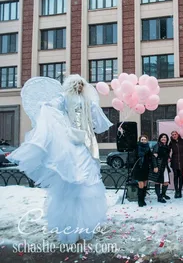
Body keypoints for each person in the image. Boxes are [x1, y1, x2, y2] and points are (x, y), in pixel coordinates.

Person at [7, 75, 112, 244]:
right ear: (70, 85)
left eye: (81, 84)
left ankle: (84, 224)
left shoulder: (88, 101)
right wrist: (46, 106)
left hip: (85, 143)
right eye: (75, 84)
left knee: (86, 182)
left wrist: (93, 109)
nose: (78, 86)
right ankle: (69, 225)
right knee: (71, 178)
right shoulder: (64, 98)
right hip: (70, 142)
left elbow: (97, 121)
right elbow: (53, 107)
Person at [149, 133, 172, 203]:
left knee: (166, 182)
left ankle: (163, 194)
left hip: (164, 166)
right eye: (162, 137)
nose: (163, 138)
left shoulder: (167, 146)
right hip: (158, 166)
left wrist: (169, 158)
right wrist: (155, 166)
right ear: (160, 138)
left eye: (165, 137)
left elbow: (166, 155)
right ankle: (159, 197)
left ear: (167, 139)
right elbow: (153, 157)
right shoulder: (157, 145)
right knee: (158, 182)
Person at [169, 131, 183, 198]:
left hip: (182, 161)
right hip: (174, 161)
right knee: (175, 176)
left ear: (178, 135)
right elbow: (167, 151)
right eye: (172, 135)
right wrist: (168, 157)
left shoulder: (182, 141)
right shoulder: (171, 142)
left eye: (175, 134)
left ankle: (180, 191)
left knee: (181, 176)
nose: (174, 135)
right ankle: (176, 191)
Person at [133, 135, 152, 207]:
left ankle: (143, 199)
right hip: (139, 167)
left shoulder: (148, 148)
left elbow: (150, 157)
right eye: (142, 139)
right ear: (140, 140)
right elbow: (134, 156)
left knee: (144, 184)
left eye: (145, 139)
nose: (143, 141)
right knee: (140, 184)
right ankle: (140, 200)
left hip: (146, 168)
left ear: (147, 140)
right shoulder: (137, 147)